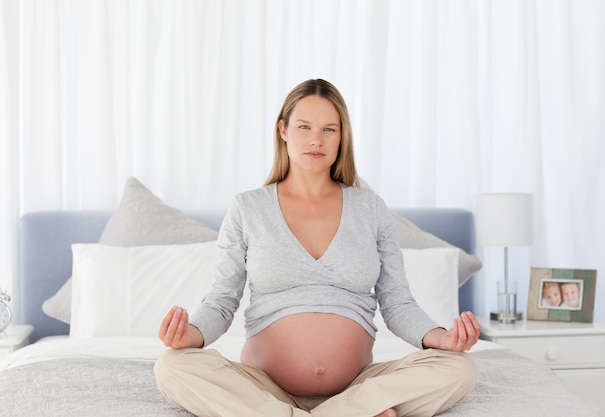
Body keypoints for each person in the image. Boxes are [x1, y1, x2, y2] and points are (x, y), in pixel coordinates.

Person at [154, 79, 480, 417]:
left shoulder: (370, 208)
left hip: (357, 387)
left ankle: (340, 410)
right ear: (282, 129)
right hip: (263, 388)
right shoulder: (248, 208)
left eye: (329, 129)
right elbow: (221, 303)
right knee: (172, 366)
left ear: (342, 137)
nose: (316, 139)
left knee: (460, 369)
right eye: (304, 126)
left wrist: (440, 338)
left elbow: (397, 304)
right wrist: (189, 335)